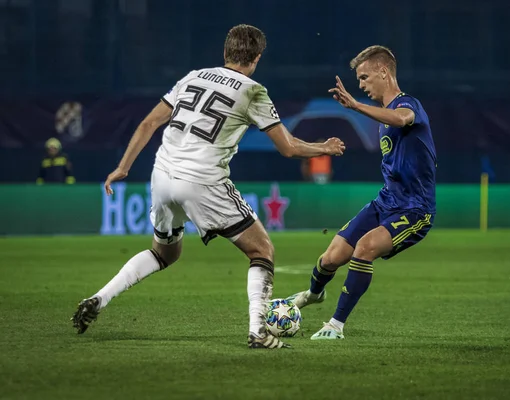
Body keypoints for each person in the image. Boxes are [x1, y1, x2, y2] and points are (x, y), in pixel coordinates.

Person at [71, 24, 345, 349]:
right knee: (262, 251)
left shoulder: (193, 77)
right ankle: (258, 331)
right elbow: (287, 147)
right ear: (256, 58)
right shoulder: (253, 91)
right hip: (201, 179)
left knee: (164, 253)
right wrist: (323, 148)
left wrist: (122, 167)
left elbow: (148, 123)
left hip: (162, 176)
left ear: (225, 52)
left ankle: (99, 298)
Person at [287, 45, 436, 340]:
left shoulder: (408, 105)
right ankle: (314, 294)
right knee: (331, 257)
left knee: (364, 248)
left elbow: (403, 118)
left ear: (384, 71)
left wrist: (355, 106)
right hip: (385, 202)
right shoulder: (383, 120)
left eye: (365, 77)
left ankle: (336, 325)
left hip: (414, 209)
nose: (361, 85)